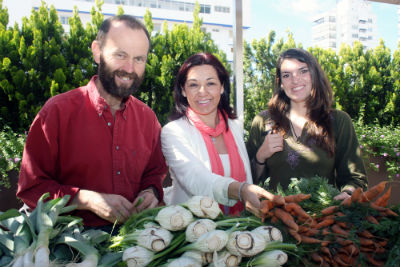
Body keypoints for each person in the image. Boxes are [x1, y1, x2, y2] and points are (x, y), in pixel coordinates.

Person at [17, 15, 167, 228]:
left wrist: (150, 191)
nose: (130, 68)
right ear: (97, 51)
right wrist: (85, 200)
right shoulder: (57, 112)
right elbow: (31, 189)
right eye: (120, 55)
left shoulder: (148, 119)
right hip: (70, 246)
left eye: (139, 59)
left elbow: (154, 173)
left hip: (132, 243)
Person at [161, 52, 276, 217]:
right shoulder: (173, 132)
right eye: (193, 85)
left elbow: (247, 176)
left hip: (239, 228)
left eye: (211, 83)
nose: (202, 92)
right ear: (183, 90)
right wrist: (240, 190)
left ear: (222, 87)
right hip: (191, 231)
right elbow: (196, 179)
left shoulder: (234, 126)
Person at [246, 48, 367, 200]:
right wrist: (260, 156)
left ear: (314, 75)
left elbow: (355, 177)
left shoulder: (339, 121)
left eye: (303, 71)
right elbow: (247, 182)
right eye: (286, 75)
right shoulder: (263, 121)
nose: (295, 79)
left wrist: (348, 194)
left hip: (322, 218)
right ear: (281, 83)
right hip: (274, 217)